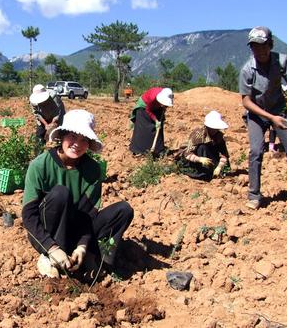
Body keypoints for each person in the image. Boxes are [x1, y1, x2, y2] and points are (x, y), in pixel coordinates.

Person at [22, 109, 134, 278]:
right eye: (72, 136)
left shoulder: (93, 169)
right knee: (61, 193)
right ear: (62, 135)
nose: (77, 144)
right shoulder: (40, 165)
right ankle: (50, 257)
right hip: (48, 232)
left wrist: (82, 245)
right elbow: (29, 216)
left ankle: (94, 257)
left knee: (124, 210)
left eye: (84, 140)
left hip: (76, 228)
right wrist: (52, 248)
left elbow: (87, 215)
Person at [239, 26, 287, 209]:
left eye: (263, 46)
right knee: (256, 151)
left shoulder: (281, 61)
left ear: (270, 45)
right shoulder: (248, 70)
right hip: (257, 113)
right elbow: (246, 102)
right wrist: (270, 118)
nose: (259, 50)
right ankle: (254, 196)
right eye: (255, 47)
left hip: (279, 110)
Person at [174, 111, 230, 181]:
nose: (214, 130)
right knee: (202, 147)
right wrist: (199, 159)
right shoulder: (198, 134)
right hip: (194, 159)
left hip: (210, 158)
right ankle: (203, 172)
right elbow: (188, 154)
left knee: (224, 167)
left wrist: (219, 167)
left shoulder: (219, 136)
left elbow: (224, 154)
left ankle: (212, 172)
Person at [129, 87, 174, 156]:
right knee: (143, 128)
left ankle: (158, 149)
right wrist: (155, 120)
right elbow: (148, 110)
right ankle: (139, 150)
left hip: (156, 106)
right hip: (144, 107)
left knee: (159, 127)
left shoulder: (167, 94)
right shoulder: (152, 98)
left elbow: (164, 106)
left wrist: (164, 109)